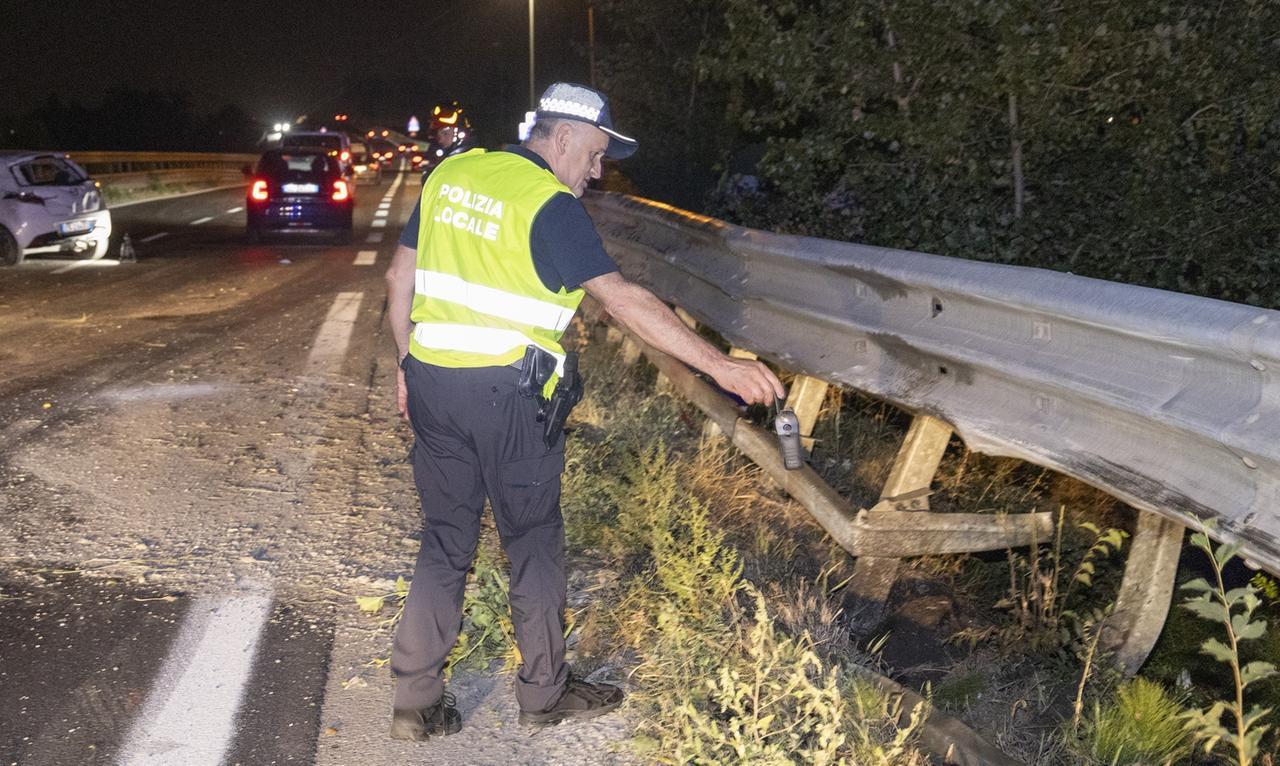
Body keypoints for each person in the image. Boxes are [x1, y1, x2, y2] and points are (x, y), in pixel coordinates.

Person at [383, 81, 785, 741]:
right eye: (594, 155)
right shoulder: (549, 205)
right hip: (507, 398)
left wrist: (406, 364)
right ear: (563, 137)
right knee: (534, 544)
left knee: (445, 542)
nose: (596, 174)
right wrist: (720, 364)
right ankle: (544, 693)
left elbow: (400, 280)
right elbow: (622, 299)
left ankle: (414, 702)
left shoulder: (451, 175)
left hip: (433, 384)